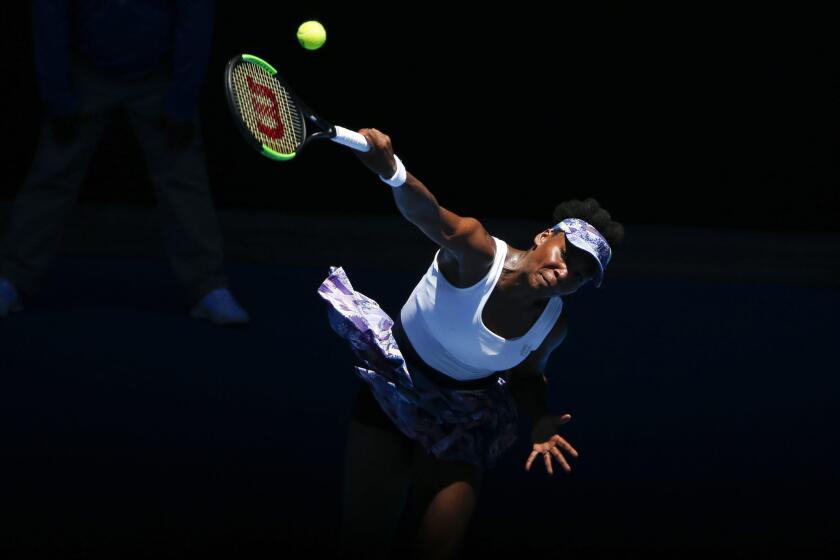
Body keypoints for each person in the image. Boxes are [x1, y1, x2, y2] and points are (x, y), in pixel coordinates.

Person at [318, 128, 625, 559]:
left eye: (579, 274)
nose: (564, 272)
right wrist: (393, 171)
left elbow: (526, 376)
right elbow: (427, 214)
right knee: (363, 541)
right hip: (394, 390)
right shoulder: (477, 252)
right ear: (544, 236)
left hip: (463, 419)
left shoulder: (553, 326)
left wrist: (538, 418)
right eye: (565, 254)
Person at [0, 0, 248, 325]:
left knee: (184, 180)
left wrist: (182, 101)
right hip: (84, 72)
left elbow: (195, 16)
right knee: (51, 176)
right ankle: (12, 280)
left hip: (159, 75)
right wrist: (57, 95)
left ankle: (207, 287)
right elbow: (49, 12)